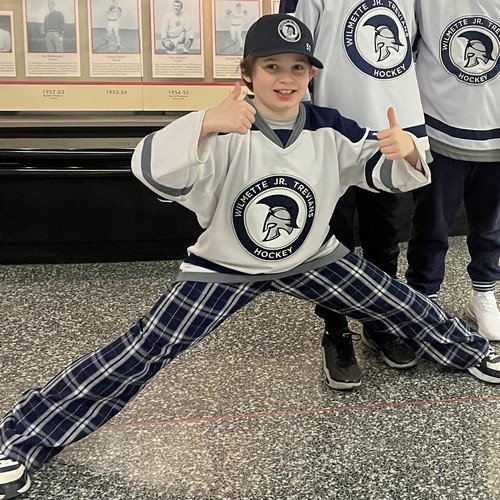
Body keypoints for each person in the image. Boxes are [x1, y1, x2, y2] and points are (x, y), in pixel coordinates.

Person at [1, 14, 499, 499]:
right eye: (272, 67)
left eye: (297, 68)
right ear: (248, 73)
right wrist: (203, 125)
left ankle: (474, 352)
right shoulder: (225, 126)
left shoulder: (329, 126)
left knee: (398, 302)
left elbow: (381, 173)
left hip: (311, 256)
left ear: (311, 75)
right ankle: (20, 437)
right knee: (145, 347)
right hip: (226, 266)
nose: (286, 78)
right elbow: (152, 171)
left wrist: (406, 151)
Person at [283, 0, 429, 389]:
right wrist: (302, 126)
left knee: (384, 237)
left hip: (388, 132)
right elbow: (296, 52)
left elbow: (415, 50)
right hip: (332, 132)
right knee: (332, 239)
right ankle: (335, 331)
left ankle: (379, 321)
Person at [405, 1, 500, 341]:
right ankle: (424, 298)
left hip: (495, 130)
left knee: (490, 225)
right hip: (438, 126)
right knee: (432, 224)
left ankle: (483, 293)